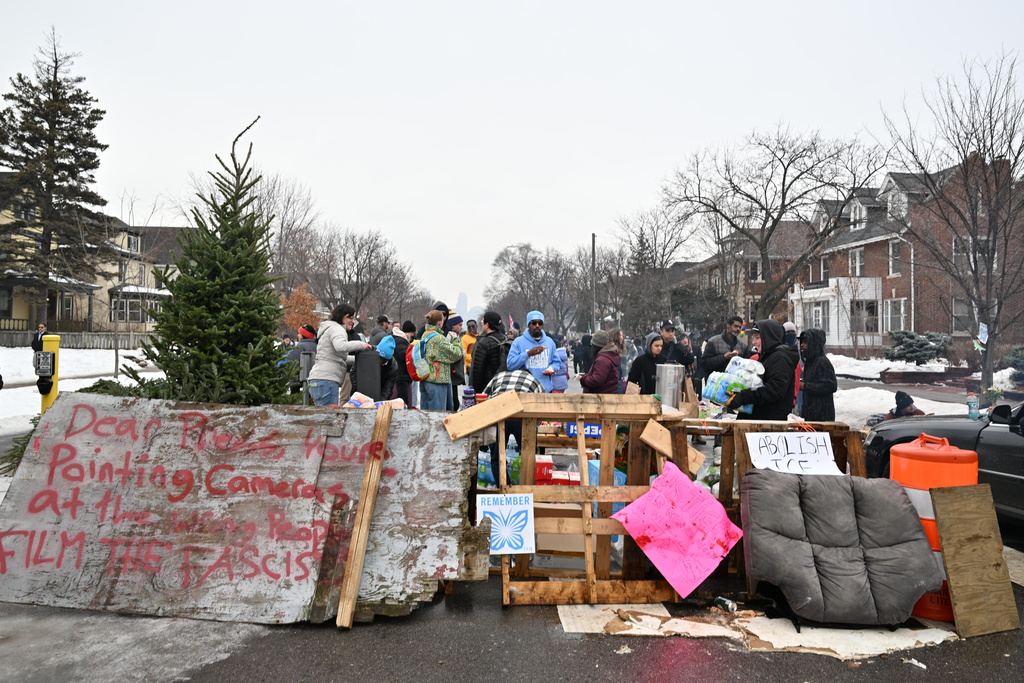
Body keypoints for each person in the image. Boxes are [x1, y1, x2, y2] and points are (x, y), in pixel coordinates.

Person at [725, 319, 798, 421]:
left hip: (768, 426)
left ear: (769, 338)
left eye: (758, 338)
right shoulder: (769, 356)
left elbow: (774, 391)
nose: (754, 342)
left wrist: (744, 396)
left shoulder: (780, 358)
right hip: (759, 422)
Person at [307, 304, 372, 406]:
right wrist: (361, 345)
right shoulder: (337, 329)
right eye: (350, 318)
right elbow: (341, 346)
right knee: (330, 419)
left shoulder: (330, 328)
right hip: (327, 381)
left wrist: (360, 359)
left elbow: (338, 357)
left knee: (323, 418)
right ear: (341, 316)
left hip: (319, 379)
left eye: (354, 318)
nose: (353, 321)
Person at [506, 311, 564, 393]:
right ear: (528, 324)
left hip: (546, 390)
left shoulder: (549, 342)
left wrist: (552, 368)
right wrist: (528, 354)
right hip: (525, 390)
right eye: (534, 323)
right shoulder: (518, 342)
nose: (537, 326)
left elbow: (557, 362)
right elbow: (510, 365)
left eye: (540, 323)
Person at [419, 309, 464, 411]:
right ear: (440, 322)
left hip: (426, 378)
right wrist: (456, 339)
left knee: (426, 416)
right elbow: (456, 353)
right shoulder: (438, 338)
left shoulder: (425, 334)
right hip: (437, 381)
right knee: (438, 416)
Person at [798, 328, 837, 422]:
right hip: (810, 414)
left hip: (822, 417)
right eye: (802, 342)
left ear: (813, 344)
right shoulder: (810, 361)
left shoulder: (823, 362)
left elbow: (831, 386)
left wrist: (805, 386)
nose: (802, 345)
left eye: (805, 342)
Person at [351, 335, 398, 401]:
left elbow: (387, 389)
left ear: (388, 359)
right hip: (360, 394)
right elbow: (353, 372)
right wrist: (359, 388)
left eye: (383, 359)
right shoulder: (366, 354)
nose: (380, 361)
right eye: (379, 357)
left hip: (380, 393)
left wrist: (380, 402)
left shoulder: (393, 367)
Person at [579, 329, 621, 394]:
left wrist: (583, 379)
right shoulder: (608, 355)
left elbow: (596, 380)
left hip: (602, 398)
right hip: (608, 395)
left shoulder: (602, 360)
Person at [285, 324, 318, 395]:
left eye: (299, 334)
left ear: (304, 335)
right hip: (314, 378)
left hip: (298, 380)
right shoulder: (317, 345)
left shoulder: (300, 346)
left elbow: (292, 361)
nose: (298, 335)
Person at [392, 321, 414, 405]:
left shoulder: (397, 340)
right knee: (403, 402)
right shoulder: (402, 342)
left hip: (398, 376)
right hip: (402, 377)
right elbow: (405, 356)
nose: (412, 335)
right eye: (412, 332)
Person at [447, 314, 467, 406]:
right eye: (460, 324)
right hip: (451, 375)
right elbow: (451, 354)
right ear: (453, 325)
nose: (461, 327)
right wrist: (461, 354)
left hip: (453, 375)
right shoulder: (449, 337)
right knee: (453, 402)